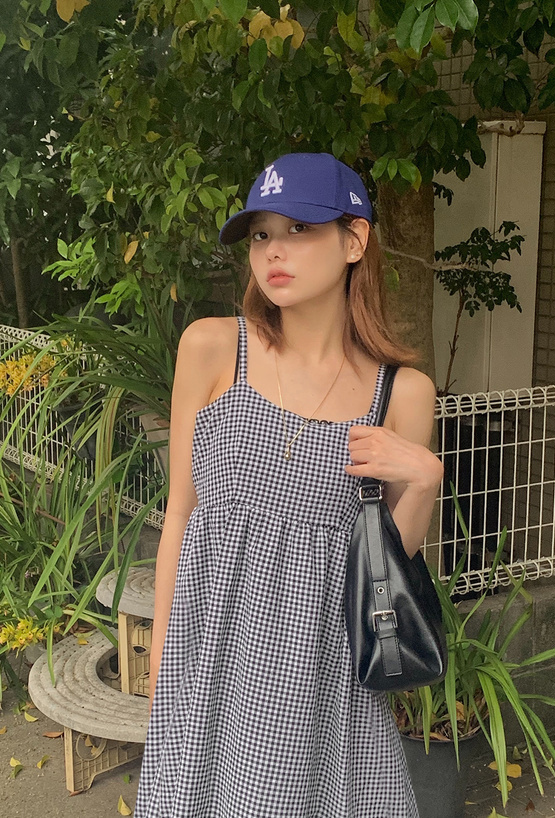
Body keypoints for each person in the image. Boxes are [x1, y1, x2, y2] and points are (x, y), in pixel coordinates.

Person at [134, 152, 443, 818]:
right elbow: (180, 513)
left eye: (299, 229)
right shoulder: (213, 348)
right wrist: (162, 656)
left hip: (323, 673)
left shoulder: (403, 393)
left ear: (354, 241)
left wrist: (424, 482)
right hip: (211, 653)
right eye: (261, 234)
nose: (274, 250)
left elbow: (387, 565)